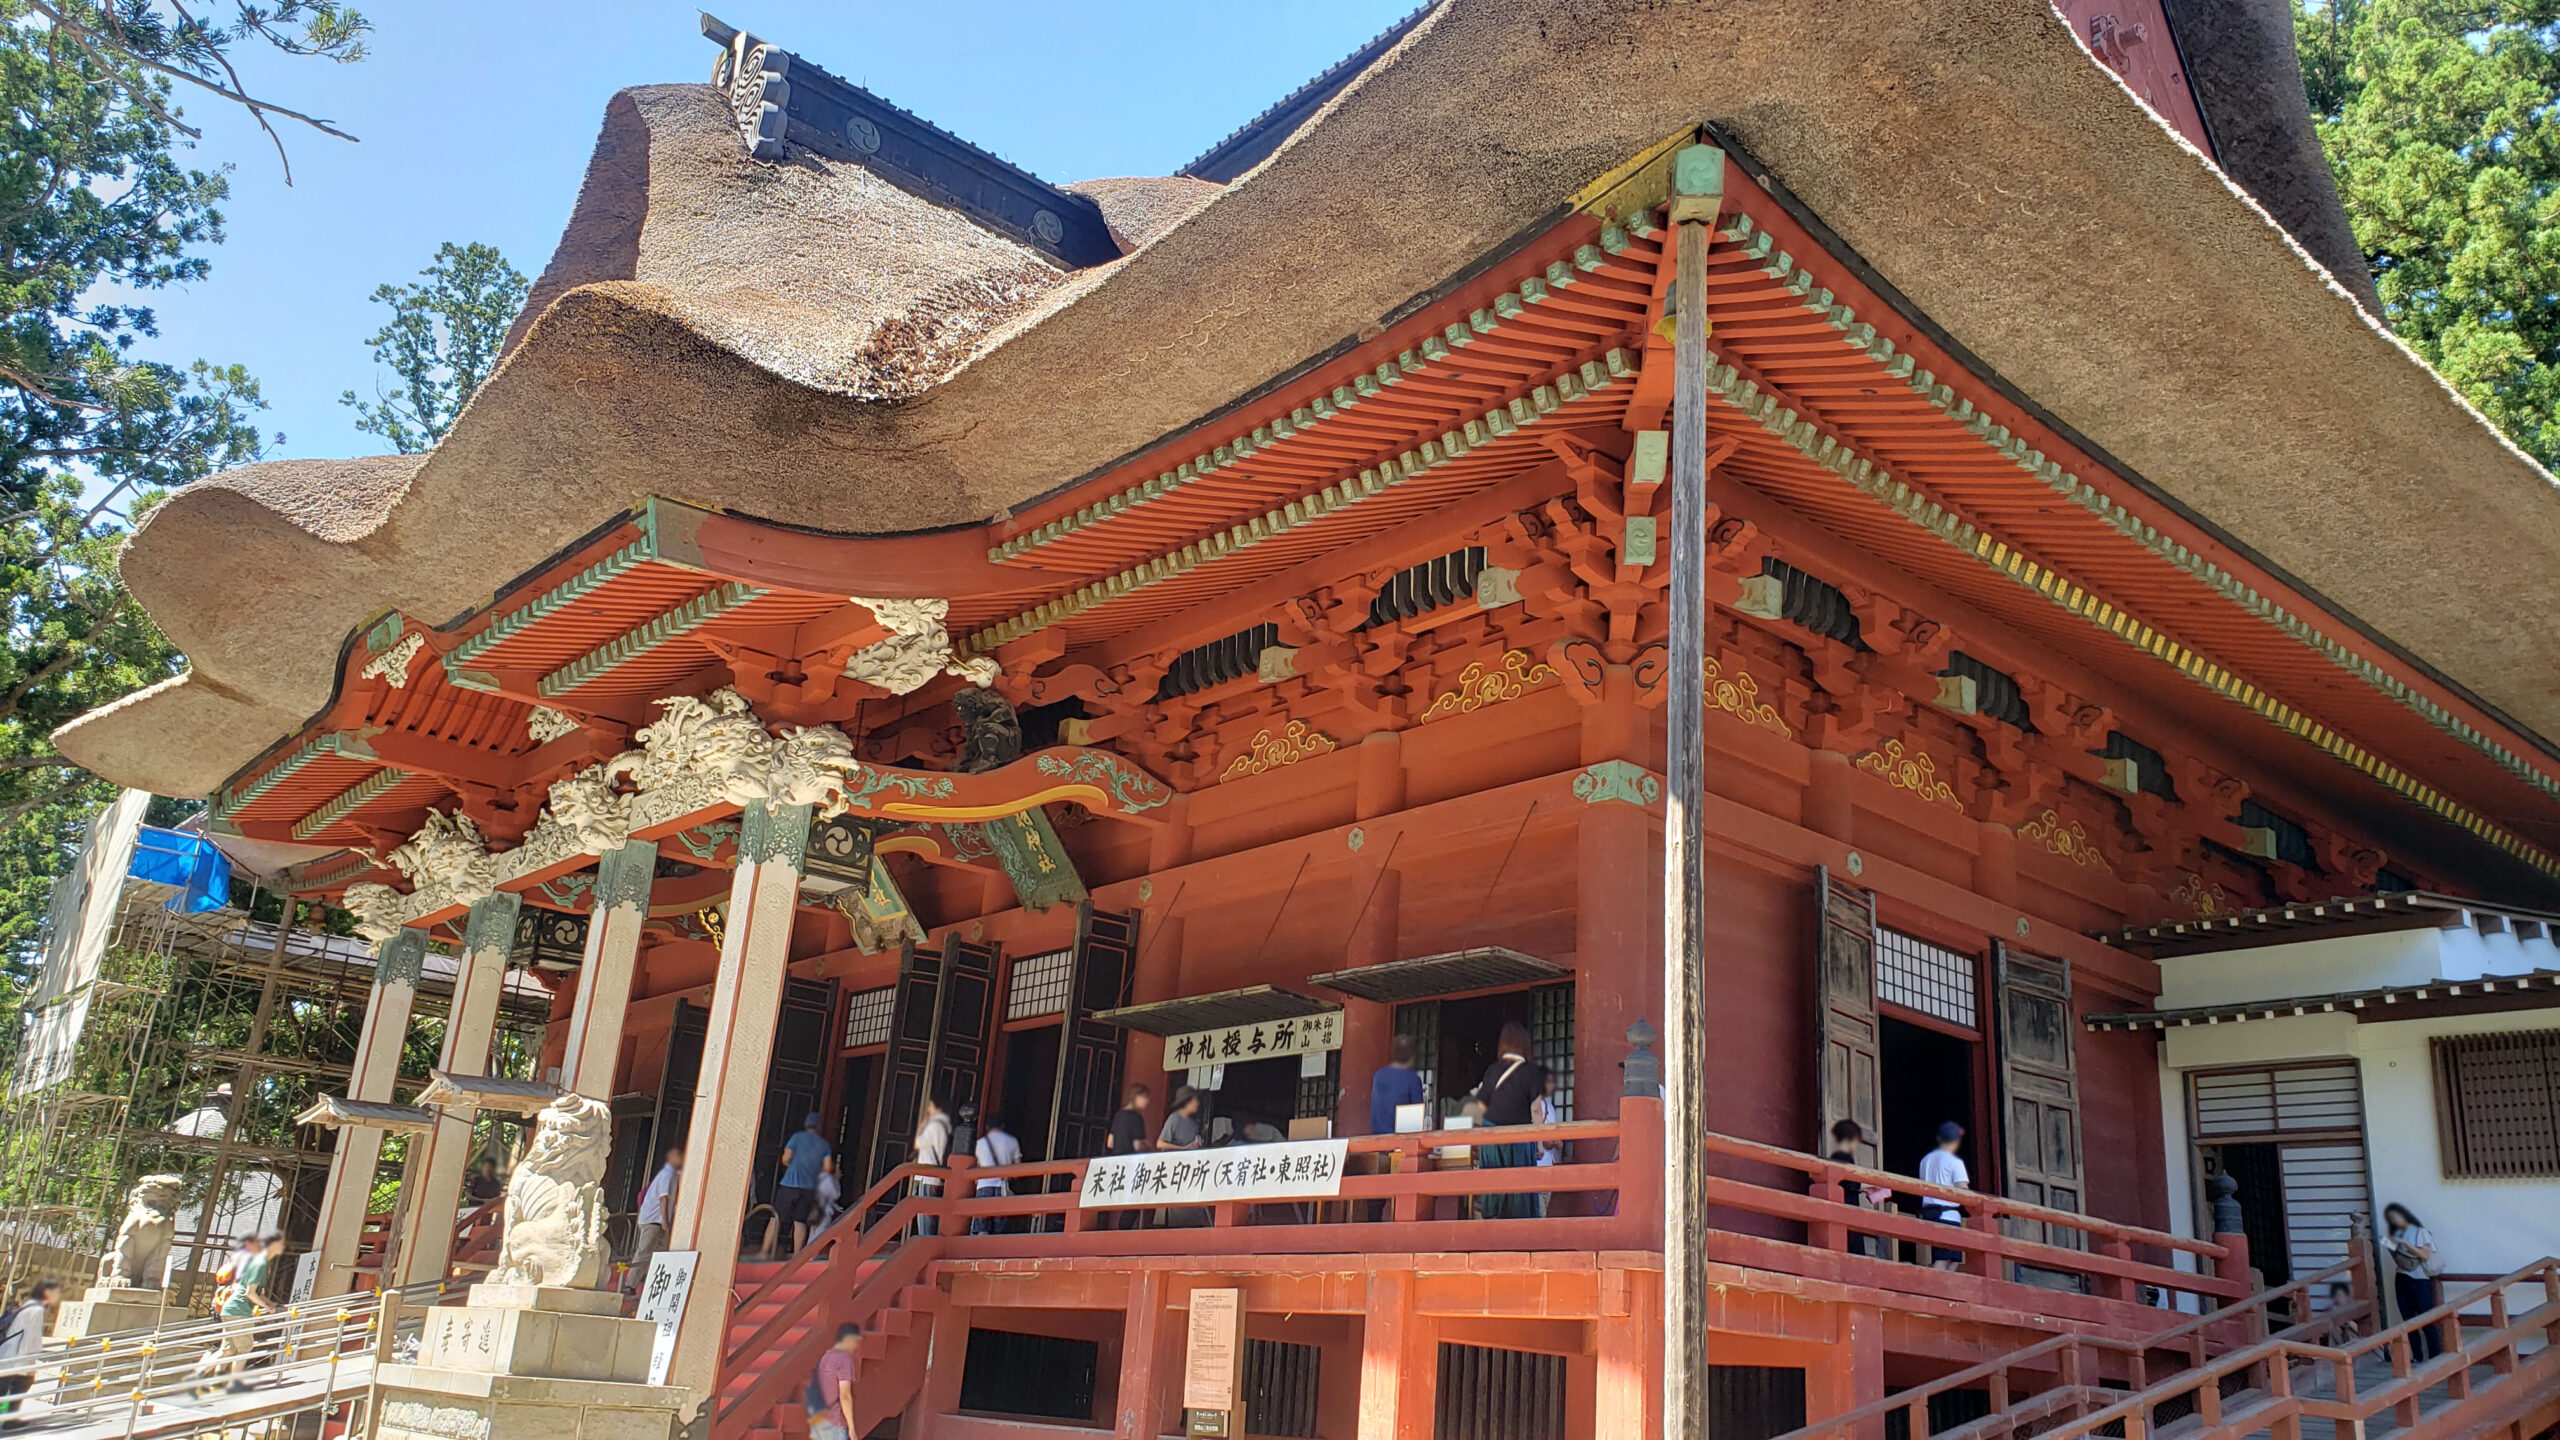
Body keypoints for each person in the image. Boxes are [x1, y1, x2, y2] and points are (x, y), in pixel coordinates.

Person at [1471, 1022, 1545, 1220]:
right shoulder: (1532, 1071)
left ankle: (1492, 1226)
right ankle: (1520, 1235)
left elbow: (1480, 1106)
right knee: (1519, 1188)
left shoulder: (1492, 1071)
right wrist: (1540, 1143)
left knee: (1493, 1185)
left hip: (1492, 1137)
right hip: (1519, 1137)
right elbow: (1536, 1109)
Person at [199, 1233, 284, 1391]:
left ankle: (198, 1375)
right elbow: (250, 1294)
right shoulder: (261, 1265)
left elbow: (259, 1294)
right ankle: (233, 1383)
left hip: (229, 1309)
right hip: (240, 1310)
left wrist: (272, 1304)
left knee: (227, 1350)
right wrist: (269, 1308)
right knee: (245, 1348)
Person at [1823, 1119, 1892, 1258]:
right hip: (1847, 1207)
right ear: (1851, 1139)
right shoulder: (1843, 1157)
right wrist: (1872, 1185)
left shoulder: (1834, 1157)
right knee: (1852, 1249)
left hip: (1840, 1206)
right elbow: (1850, 1184)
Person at [769, 1113, 834, 1260]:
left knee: (776, 1218)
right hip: (809, 1187)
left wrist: (794, 1166)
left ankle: (765, 1252)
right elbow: (828, 1167)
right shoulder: (824, 1144)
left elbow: (785, 1158)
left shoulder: (797, 1138)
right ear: (818, 1127)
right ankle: (797, 1256)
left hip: (790, 1184)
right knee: (800, 1221)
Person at [2384, 1203, 2443, 1362]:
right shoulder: (2396, 1233)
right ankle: (2417, 1356)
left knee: (2427, 1320)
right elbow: (2397, 1258)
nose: (2394, 1220)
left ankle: (2435, 1356)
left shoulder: (2420, 1232)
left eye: (2396, 1216)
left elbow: (2425, 1255)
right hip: (2402, 1277)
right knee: (2408, 1320)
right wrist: (2390, 1244)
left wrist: (2405, 1244)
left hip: (2420, 1279)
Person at [0, 1279, 59, 1427]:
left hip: (9, 1354)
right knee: (21, 1383)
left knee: (11, 1385)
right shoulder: (37, 1310)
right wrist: (31, 1362)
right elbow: (31, 1338)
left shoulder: (27, 1307)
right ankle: (11, 1419)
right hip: (17, 1357)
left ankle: (11, 1418)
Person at [627, 1146, 681, 1294]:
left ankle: (651, 1282)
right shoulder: (667, 1175)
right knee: (645, 1251)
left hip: (654, 1219)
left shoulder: (671, 1176)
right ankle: (630, 1284)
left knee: (658, 1253)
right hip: (653, 1220)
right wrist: (665, 1220)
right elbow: (663, 1198)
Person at [1918, 1122, 1970, 1271]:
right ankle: (1934, 1291)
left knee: (1950, 1258)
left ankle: (1941, 1290)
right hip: (1947, 1215)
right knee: (1946, 1258)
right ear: (1956, 1141)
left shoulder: (1925, 1160)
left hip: (1928, 1213)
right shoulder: (1955, 1162)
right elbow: (1962, 1188)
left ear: (1939, 1138)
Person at [1102, 1084, 1152, 1231]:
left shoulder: (1119, 1115)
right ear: (1137, 1097)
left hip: (1116, 1163)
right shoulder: (1136, 1117)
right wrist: (1149, 1147)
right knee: (1135, 1199)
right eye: (1145, 1097)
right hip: (1131, 1163)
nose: (1147, 1102)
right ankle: (1124, 1229)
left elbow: (1110, 1143)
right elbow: (1137, 1145)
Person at [807, 1321, 861, 1440]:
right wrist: (852, 1427)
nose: (856, 1346)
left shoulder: (825, 1357)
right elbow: (845, 1395)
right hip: (835, 1422)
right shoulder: (845, 1360)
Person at [971, 1115, 1021, 1235]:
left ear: (987, 1127)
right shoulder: (1012, 1142)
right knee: (999, 1229)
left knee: (982, 1228)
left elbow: (976, 1165)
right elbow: (1018, 1167)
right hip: (1002, 1187)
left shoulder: (980, 1143)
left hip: (983, 1186)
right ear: (1002, 1126)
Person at [912, 1094, 953, 1238]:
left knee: (925, 1211)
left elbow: (918, 1142)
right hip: (934, 1173)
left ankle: (925, 1239)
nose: (928, 1109)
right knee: (930, 1210)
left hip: (927, 1174)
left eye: (929, 1106)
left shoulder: (934, 1125)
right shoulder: (944, 1125)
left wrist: (922, 1125)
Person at [1369, 1035, 1426, 1135]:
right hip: (1402, 1139)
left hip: (1377, 1138)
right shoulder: (1413, 1079)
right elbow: (1417, 1114)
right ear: (1412, 1057)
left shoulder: (1378, 1075)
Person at [814, 1154, 844, 1233]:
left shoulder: (816, 1177)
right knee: (820, 1232)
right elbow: (836, 1194)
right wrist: (836, 1180)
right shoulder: (828, 1179)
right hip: (824, 1210)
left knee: (813, 1231)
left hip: (814, 1207)